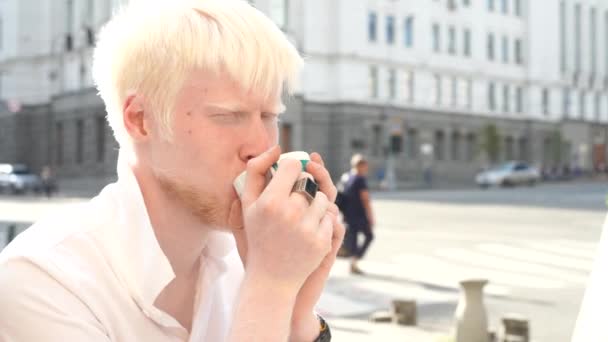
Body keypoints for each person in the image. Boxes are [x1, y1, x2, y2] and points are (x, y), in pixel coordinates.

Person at [0, 1, 344, 341]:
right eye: (228, 116)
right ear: (140, 119)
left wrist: (297, 314)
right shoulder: (44, 279)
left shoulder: (250, 256)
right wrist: (271, 286)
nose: (261, 145)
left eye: (269, 116)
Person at [341, 154, 374, 275]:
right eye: (365, 166)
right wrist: (371, 217)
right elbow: (365, 200)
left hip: (348, 215)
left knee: (353, 239)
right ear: (361, 166)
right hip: (360, 216)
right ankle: (354, 261)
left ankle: (353, 263)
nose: (367, 168)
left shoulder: (347, 177)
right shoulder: (360, 179)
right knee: (369, 236)